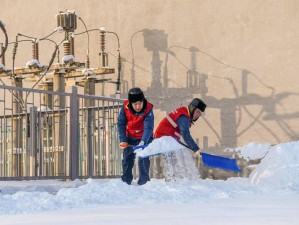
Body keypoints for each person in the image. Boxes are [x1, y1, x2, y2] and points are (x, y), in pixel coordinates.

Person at [117, 87, 154, 185]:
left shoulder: (148, 109)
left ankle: (144, 182)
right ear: (130, 103)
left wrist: (143, 142)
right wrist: (123, 140)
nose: (138, 106)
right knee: (127, 159)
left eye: (140, 103)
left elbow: (148, 128)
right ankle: (126, 181)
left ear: (143, 101)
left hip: (144, 137)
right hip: (130, 136)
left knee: (143, 159)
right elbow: (121, 124)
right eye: (135, 104)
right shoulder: (125, 108)